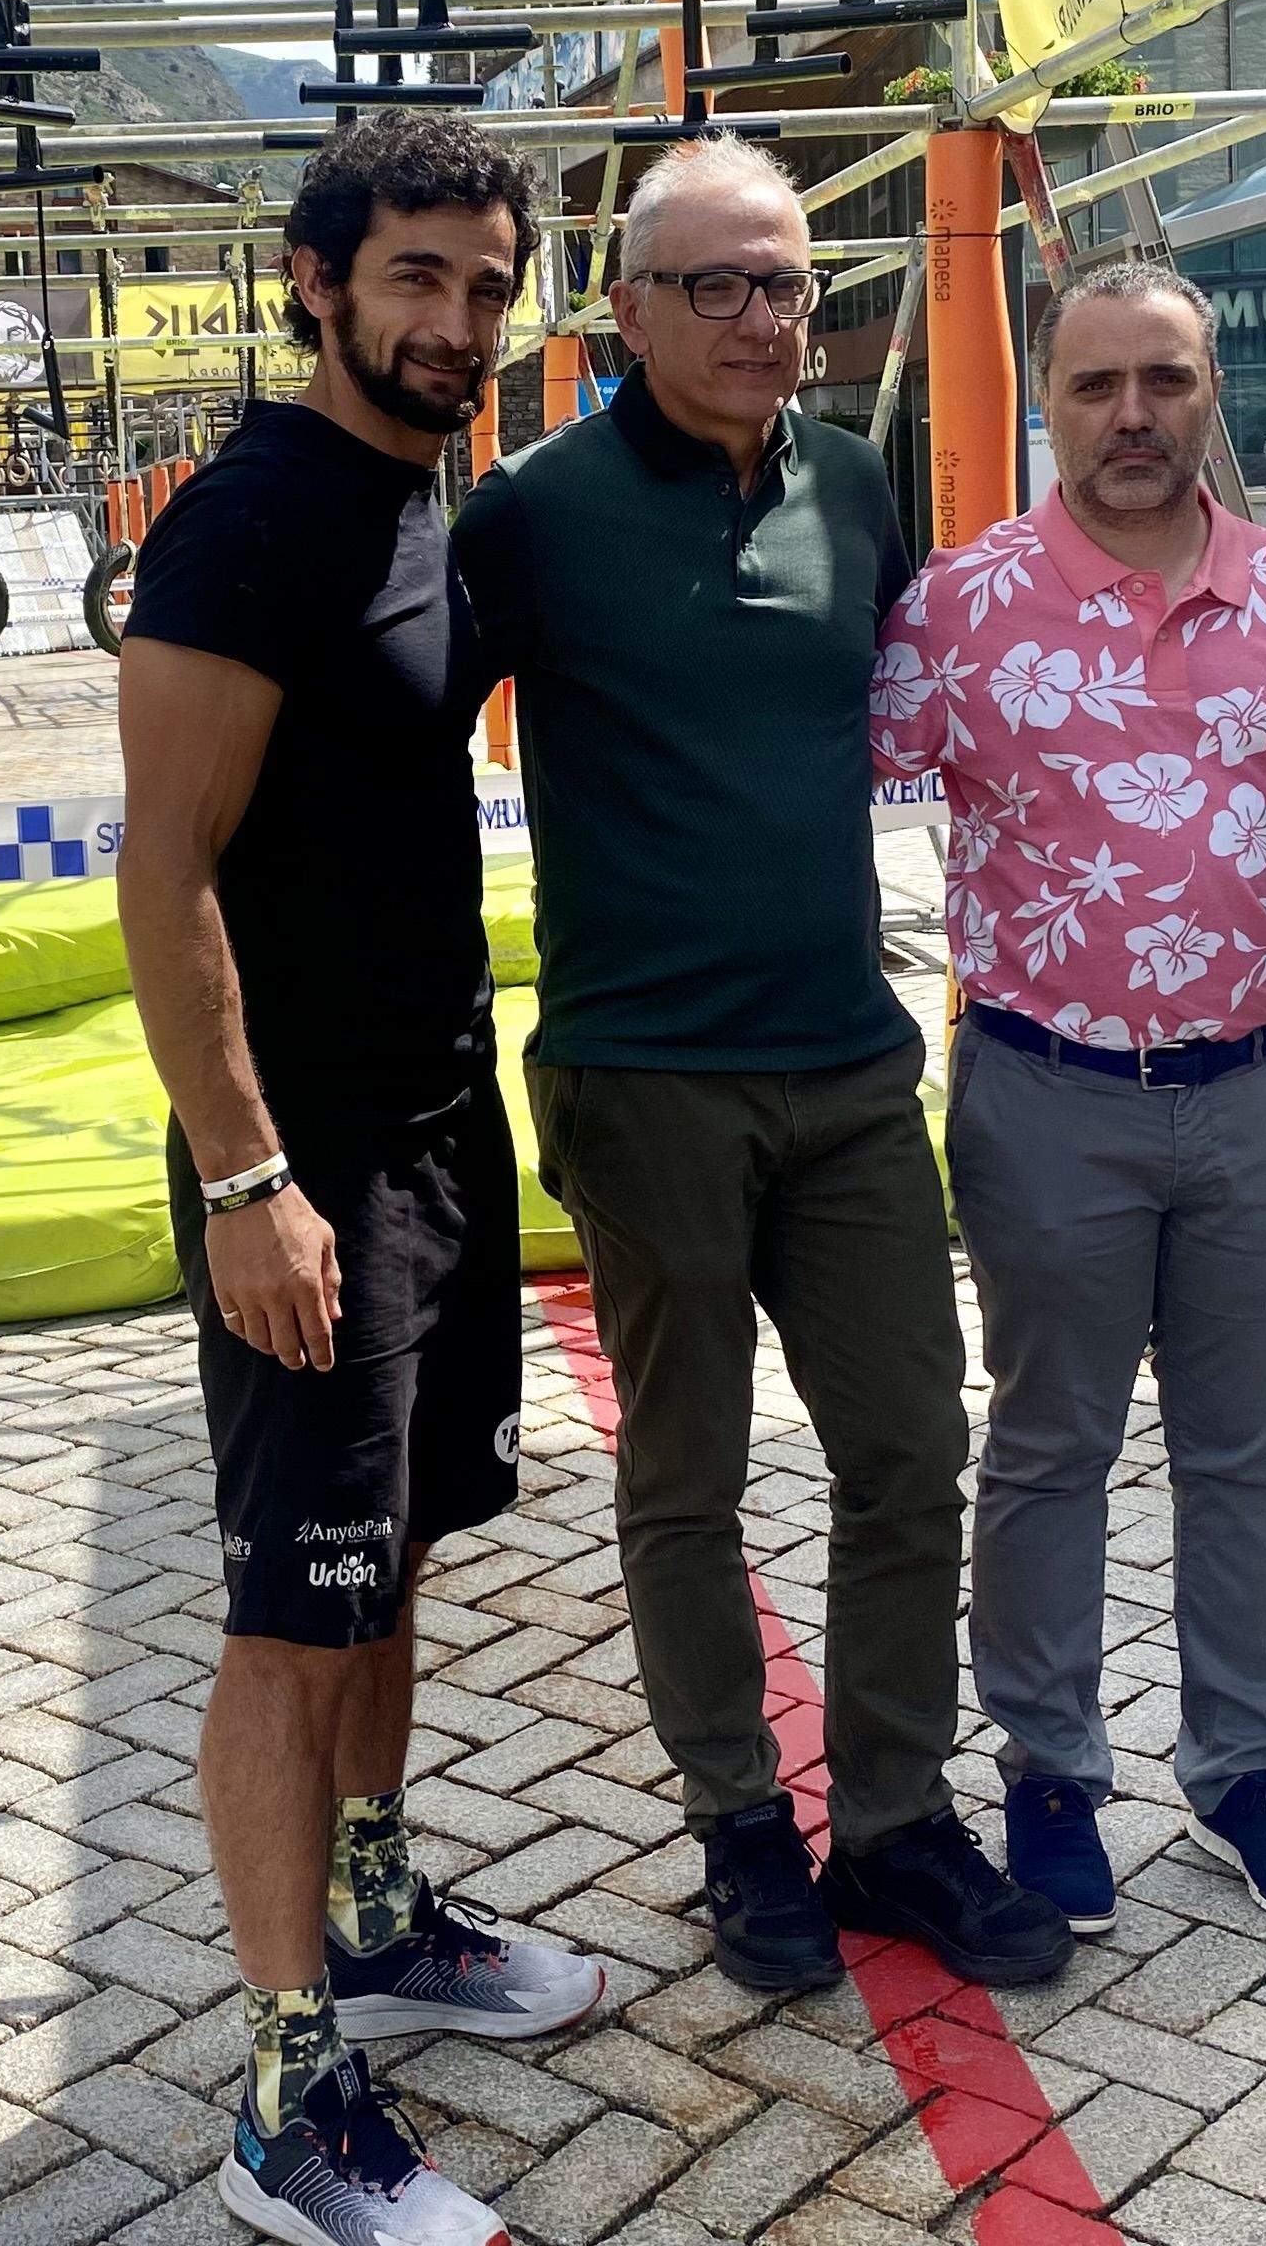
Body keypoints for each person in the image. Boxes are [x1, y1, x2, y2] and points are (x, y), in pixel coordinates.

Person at [459, 134, 1070, 1996]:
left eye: (784, 281)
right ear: (626, 307)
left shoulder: (852, 487)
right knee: (688, 1477)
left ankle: (891, 1822)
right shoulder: (533, 514)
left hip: (848, 1069)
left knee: (907, 1449)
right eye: (711, 283)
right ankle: (740, 1824)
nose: (754, 317)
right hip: (646, 1080)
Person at [119, 109, 602, 2246]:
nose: (456, 323)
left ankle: (382, 1916)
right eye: (416, 278)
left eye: (489, 289)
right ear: (319, 280)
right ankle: (288, 2099)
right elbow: (163, 873)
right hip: (300, 1161)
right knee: (286, 1616)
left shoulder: (437, 511)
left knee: (396, 1558)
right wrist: (245, 1181)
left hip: (435, 1130)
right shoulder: (251, 528)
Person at [870, 255, 1266, 1940]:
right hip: (1047, 1097)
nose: (1131, 415)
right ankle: (1051, 1770)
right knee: (1048, 1447)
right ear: (1049, 399)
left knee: (1248, 1453)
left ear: (1208, 395)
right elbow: (822, 799)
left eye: (1163, 381)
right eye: (1098, 384)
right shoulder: (959, 610)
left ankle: (1248, 1770)